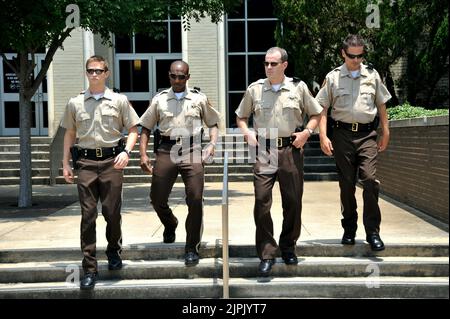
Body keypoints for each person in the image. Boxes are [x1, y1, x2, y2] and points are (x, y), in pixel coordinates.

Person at [235, 47, 322, 277]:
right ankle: (266, 253)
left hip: (290, 149)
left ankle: (288, 246)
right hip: (265, 149)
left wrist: (307, 133)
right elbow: (241, 116)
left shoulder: (298, 87)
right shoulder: (255, 90)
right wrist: (247, 133)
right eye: (266, 63)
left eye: (273, 63)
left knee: (293, 201)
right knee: (262, 200)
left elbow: (316, 113)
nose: (269, 67)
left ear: (284, 65)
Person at [61, 55, 139, 290]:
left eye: (98, 70)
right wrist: (65, 163)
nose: (94, 74)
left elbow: (134, 128)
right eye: (90, 70)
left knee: (111, 212)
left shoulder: (119, 100)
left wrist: (126, 151)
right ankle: (90, 268)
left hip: (111, 163)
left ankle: (114, 250)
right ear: (86, 73)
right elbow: (70, 134)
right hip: (85, 163)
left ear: (106, 73)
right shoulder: (75, 102)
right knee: (88, 216)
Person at [139, 60, 219, 267]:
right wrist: (143, 155)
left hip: (192, 149)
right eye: (173, 76)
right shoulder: (159, 100)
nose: (177, 80)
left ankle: (192, 247)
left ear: (187, 77)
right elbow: (146, 127)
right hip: (166, 149)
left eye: (181, 76)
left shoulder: (199, 99)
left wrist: (211, 145)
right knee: (157, 198)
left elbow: (213, 123)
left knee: (195, 197)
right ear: (169, 76)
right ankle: (170, 223)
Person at [316, 34, 391, 251]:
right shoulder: (333, 77)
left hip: (367, 135)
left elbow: (382, 105)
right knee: (346, 185)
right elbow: (323, 108)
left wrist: (385, 130)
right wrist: (323, 135)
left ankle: (373, 232)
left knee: (369, 180)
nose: (356, 60)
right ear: (343, 53)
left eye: (360, 56)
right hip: (342, 135)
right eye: (352, 56)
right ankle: (349, 228)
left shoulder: (372, 75)